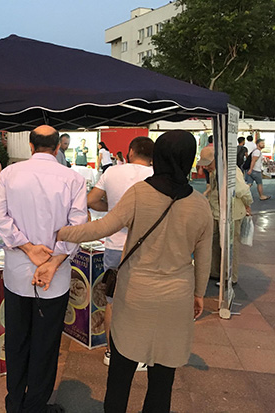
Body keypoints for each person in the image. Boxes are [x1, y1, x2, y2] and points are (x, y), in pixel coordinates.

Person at [58, 130, 213, 413]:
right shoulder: (200, 205)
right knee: (162, 380)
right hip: (176, 297)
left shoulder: (140, 193)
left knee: (120, 374)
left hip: (135, 295)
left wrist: (60, 232)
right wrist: (199, 294)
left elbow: (101, 227)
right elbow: (204, 258)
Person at [0, 125, 87, 413]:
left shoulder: (10, 173)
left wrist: (26, 247)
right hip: (54, 278)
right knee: (46, 344)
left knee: (18, 339)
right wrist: (54, 260)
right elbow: (77, 227)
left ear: (31, 147)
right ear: (57, 148)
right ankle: (35, 406)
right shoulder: (73, 178)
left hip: (18, 273)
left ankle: (15, 403)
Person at [87, 136, 154, 370]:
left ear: (131, 151)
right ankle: (138, 355)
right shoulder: (156, 176)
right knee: (142, 302)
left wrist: (114, 211)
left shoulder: (112, 173)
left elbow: (91, 200)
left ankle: (110, 352)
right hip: (146, 248)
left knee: (113, 303)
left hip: (114, 246)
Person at [197, 146, 252, 284]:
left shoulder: (231, 171)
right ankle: (215, 272)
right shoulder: (213, 171)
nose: (206, 167)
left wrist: (248, 205)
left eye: (208, 163)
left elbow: (243, 191)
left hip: (231, 214)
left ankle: (230, 276)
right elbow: (214, 190)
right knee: (215, 243)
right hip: (216, 212)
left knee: (229, 246)